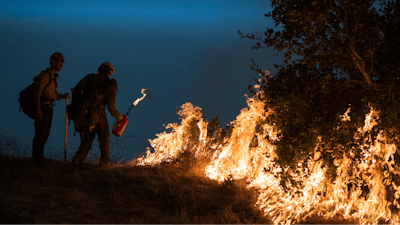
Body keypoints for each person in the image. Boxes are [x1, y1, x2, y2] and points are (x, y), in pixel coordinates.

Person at [71, 62, 124, 169]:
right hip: (99, 113)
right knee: (104, 137)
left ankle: (78, 160)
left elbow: (76, 89)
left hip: (83, 112)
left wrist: (77, 106)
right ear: (110, 73)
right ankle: (105, 162)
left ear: (99, 69)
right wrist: (118, 116)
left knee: (88, 136)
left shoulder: (89, 78)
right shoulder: (110, 84)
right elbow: (111, 106)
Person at [33, 52, 69, 166]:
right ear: (54, 61)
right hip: (43, 107)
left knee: (45, 133)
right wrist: (38, 109)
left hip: (49, 107)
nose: (61, 65)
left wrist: (62, 96)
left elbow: (51, 93)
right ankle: (37, 160)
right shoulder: (45, 75)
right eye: (60, 62)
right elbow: (37, 92)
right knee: (40, 134)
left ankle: (40, 158)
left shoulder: (53, 76)